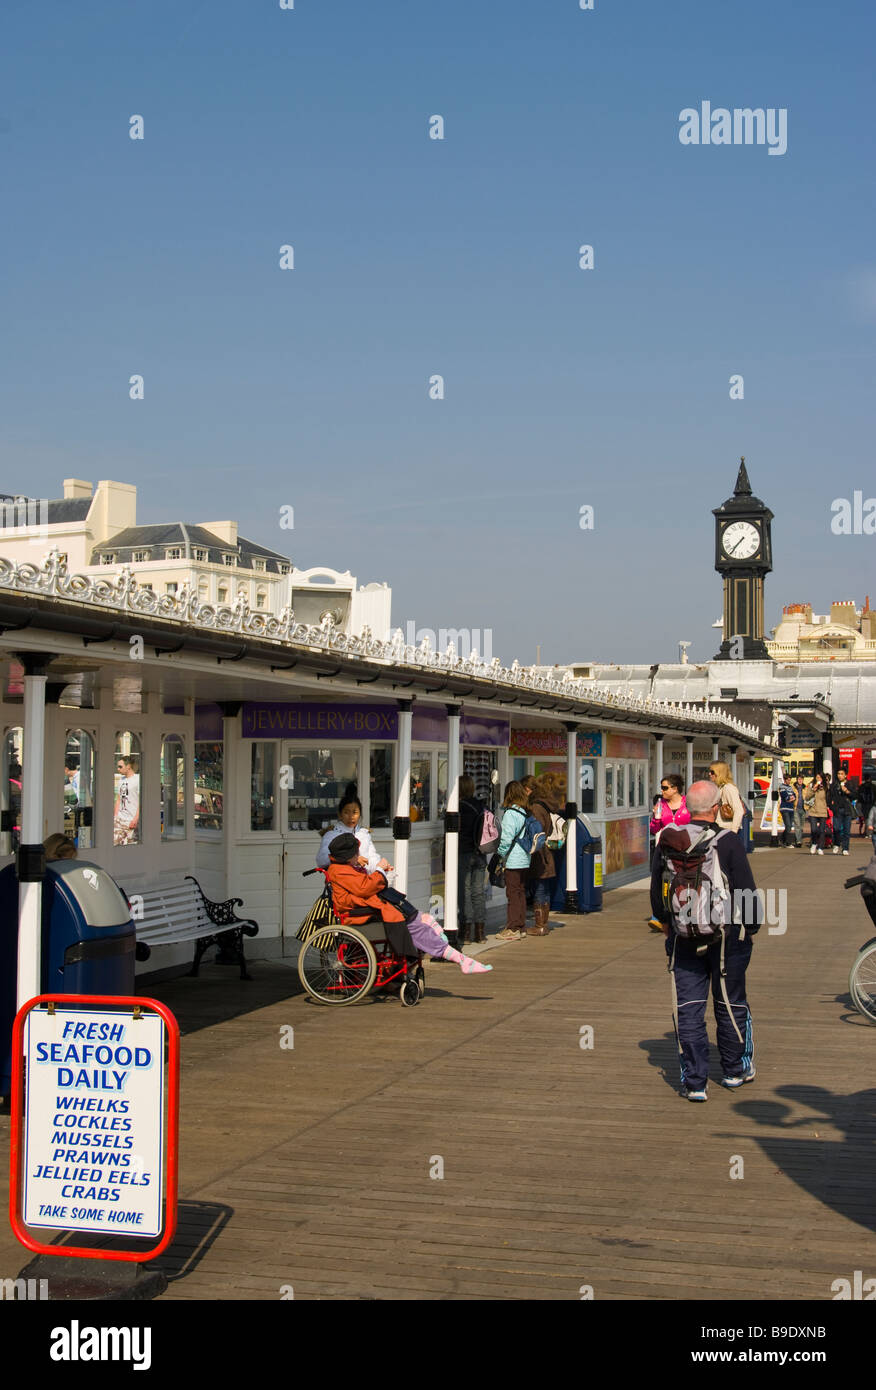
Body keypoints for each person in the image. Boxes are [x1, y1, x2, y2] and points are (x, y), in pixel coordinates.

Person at [650, 779, 760, 1101]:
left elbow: (658, 888)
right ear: (714, 809)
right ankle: (734, 1070)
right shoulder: (727, 841)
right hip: (725, 935)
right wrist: (751, 927)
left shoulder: (669, 840)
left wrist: (667, 923)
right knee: (730, 1002)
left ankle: (696, 1082)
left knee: (689, 1007)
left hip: (683, 935)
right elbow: (746, 889)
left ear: (689, 806)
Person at [323, 833, 491, 974]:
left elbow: (361, 886)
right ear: (347, 856)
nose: (357, 856)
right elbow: (365, 887)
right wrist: (380, 871)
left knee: (407, 915)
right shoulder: (341, 870)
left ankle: (448, 947)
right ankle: (457, 957)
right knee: (413, 926)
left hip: (364, 909)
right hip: (359, 915)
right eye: (355, 854)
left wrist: (376, 872)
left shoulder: (342, 867)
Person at [316, 793, 392, 875]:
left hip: (361, 880)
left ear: (360, 814)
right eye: (346, 812)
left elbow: (371, 857)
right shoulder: (332, 835)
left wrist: (381, 867)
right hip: (342, 880)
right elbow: (322, 860)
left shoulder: (363, 834)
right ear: (340, 814)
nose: (351, 816)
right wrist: (353, 860)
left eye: (355, 812)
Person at [495, 781, 534, 942]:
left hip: (513, 859)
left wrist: (500, 855)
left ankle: (512, 928)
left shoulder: (511, 813)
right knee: (520, 892)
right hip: (525, 858)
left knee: (512, 894)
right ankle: (521, 926)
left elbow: (506, 839)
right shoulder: (525, 812)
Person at [526, 778, 558, 937]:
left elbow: (536, 832)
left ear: (528, 789)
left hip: (539, 854)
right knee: (543, 889)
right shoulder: (545, 805)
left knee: (539, 888)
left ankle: (540, 925)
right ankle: (543, 923)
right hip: (546, 853)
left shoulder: (536, 807)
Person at [458, 775, 487, 945]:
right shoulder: (481, 806)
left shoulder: (458, 807)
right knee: (478, 892)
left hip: (464, 852)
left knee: (465, 892)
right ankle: (480, 932)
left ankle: (466, 932)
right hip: (480, 852)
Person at [708, 762, 746, 849]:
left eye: (712, 772)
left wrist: (733, 832)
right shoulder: (720, 787)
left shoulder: (728, 788)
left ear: (719, 773)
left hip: (728, 830)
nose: (709, 774)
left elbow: (739, 810)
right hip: (722, 829)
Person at [113, 755, 140, 845]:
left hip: (131, 819)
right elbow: (118, 798)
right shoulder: (121, 780)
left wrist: (136, 819)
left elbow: (141, 801)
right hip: (120, 818)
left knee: (130, 844)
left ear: (128, 766)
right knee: (115, 843)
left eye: (120, 766)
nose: (118, 769)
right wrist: (115, 815)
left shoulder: (138, 779)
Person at [829, 769, 854, 856]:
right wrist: (831, 806)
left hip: (847, 810)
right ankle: (836, 843)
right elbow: (829, 796)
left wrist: (847, 791)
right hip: (837, 810)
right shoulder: (834, 785)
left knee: (846, 830)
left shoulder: (849, 784)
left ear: (845, 775)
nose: (840, 775)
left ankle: (845, 848)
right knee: (836, 828)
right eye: (838, 773)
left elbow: (854, 796)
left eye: (842, 774)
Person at [804, 772, 829, 855]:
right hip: (813, 811)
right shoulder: (811, 785)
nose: (818, 779)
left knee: (822, 830)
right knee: (814, 830)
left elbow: (828, 798)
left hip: (822, 811)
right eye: (817, 777)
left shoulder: (826, 787)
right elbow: (807, 797)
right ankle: (814, 844)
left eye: (820, 778)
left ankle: (820, 847)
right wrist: (813, 790)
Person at [779, 776, 796, 846]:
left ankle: (782, 839)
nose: (789, 781)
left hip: (791, 809)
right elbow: (786, 797)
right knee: (788, 825)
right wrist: (791, 798)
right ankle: (785, 841)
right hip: (785, 808)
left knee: (789, 826)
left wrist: (791, 798)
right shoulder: (782, 787)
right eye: (788, 780)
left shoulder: (790, 787)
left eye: (790, 780)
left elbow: (794, 796)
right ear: (785, 780)